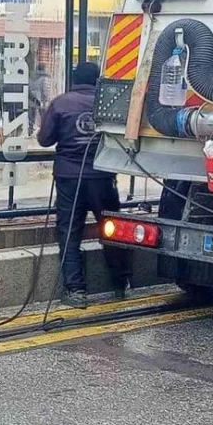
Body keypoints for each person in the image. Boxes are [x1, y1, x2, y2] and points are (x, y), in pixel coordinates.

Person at [37, 62, 130, 309]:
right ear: (98, 80)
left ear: (73, 78)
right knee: (112, 229)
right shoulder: (108, 103)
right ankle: (121, 284)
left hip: (69, 179)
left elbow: (45, 139)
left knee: (69, 233)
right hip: (103, 177)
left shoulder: (61, 103)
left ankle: (76, 290)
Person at [29, 63, 51, 136]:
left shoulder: (31, 77)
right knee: (44, 116)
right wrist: (46, 100)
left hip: (31, 98)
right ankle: (44, 130)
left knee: (31, 115)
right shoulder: (44, 78)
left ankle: (30, 130)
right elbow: (45, 90)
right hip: (41, 100)